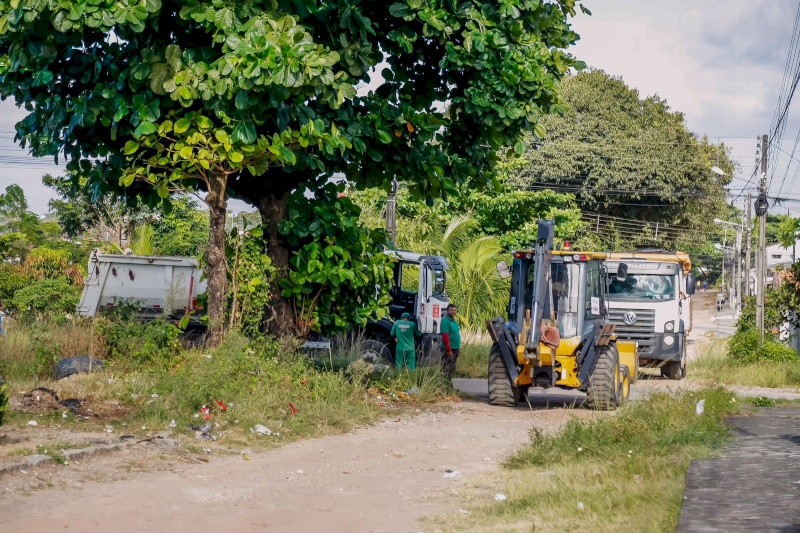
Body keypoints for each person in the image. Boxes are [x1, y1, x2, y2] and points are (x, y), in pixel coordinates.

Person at [440, 304, 461, 379]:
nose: (453, 312)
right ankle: (444, 385)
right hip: (448, 349)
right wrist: (449, 350)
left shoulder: (454, 321)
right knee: (446, 368)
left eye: (454, 310)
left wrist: (458, 348)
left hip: (454, 349)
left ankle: (449, 386)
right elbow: (445, 336)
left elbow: (456, 335)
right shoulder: (445, 321)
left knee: (452, 369)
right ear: (447, 311)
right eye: (451, 310)